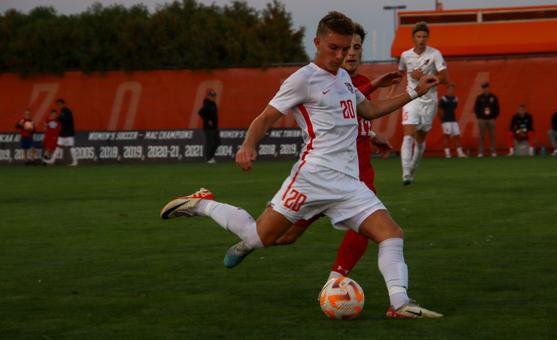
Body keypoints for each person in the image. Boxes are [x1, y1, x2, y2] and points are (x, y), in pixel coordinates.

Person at [160, 12, 442, 319]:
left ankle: (400, 304)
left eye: (346, 48)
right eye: (334, 47)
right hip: (311, 179)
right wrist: (248, 145)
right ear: (317, 42)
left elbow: (370, 109)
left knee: (391, 233)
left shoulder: (344, 78)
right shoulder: (302, 79)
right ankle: (202, 204)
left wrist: (415, 92)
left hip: (348, 183)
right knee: (260, 237)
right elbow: (265, 117)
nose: (341, 55)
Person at [249, 22, 400, 284]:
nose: (347, 54)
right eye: (342, 48)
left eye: (354, 48)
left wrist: (374, 136)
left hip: (355, 174)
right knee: (283, 236)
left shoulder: (350, 80)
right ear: (320, 44)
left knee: (377, 229)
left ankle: (339, 282)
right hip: (318, 176)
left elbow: (360, 114)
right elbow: (339, 110)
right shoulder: (310, 79)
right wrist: (247, 145)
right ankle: (236, 233)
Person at [398, 21, 448, 185]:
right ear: (413, 38)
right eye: (418, 36)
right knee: (408, 134)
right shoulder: (405, 55)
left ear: (428, 38)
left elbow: (445, 78)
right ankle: (405, 173)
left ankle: (412, 169)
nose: (421, 39)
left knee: (420, 139)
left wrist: (423, 78)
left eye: (424, 36)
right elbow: (400, 73)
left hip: (429, 101)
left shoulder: (435, 54)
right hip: (411, 98)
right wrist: (393, 87)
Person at [44, 98, 77, 166]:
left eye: (60, 104)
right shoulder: (63, 111)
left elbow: (64, 120)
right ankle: (52, 161)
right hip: (64, 133)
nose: (59, 106)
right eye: (58, 104)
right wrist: (57, 118)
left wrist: (56, 118)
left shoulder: (65, 110)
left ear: (63, 104)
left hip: (67, 133)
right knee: (58, 147)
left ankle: (75, 161)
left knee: (70, 147)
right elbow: (63, 119)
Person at [438, 83, 467, 158]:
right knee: (446, 136)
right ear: (447, 90)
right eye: (450, 89)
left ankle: (460, 153)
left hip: (453, 120)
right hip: (446, 121)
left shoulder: (455, 99)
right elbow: (439, 109)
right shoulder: (443, 99)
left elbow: (454, 108)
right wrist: (443, 119)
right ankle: (447, 153)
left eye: (453, 89)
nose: (451, 90)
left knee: (457, 135)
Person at [474, 82, 500, 157]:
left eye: (486, 88)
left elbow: (497, 108)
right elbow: (476, 108)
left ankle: (493, 152)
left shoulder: (493, 97)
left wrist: (494, 117)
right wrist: (479, 117)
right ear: (482, 89)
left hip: (491, 119)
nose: (485, 89)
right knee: (481, 136)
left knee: (492, 136)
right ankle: (481, 152)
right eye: (484, 88)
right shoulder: (479, 97)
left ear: (488, 88)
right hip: (482, 119)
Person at [198, 89, 220, 163]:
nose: (213, 97)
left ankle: (211, 157)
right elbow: (200, 112)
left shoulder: (213, 104)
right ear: (208, 96)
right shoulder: (207, 104)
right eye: (211, 96)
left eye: (214, 96)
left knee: (218, 142)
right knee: (210, 143)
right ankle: (209, 158)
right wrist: (207, 121)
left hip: (215, 127)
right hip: (208, 128)